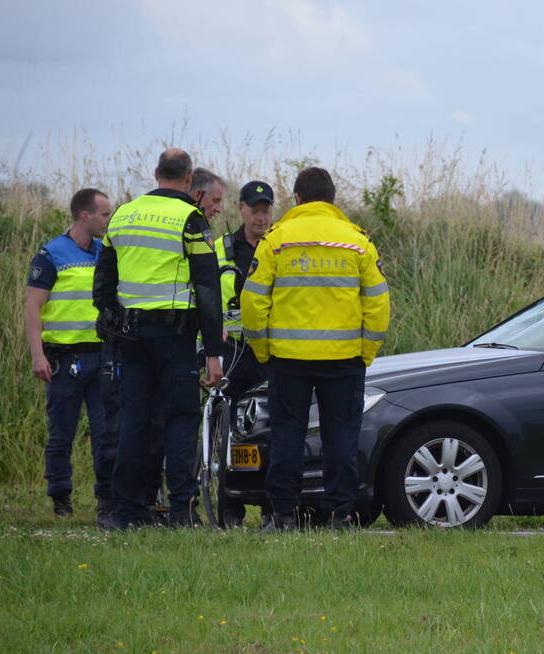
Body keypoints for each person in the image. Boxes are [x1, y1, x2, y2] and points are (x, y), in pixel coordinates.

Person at [241, 167, 390, 531]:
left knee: (286, 435)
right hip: (344, 360)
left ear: (297, 199)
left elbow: (253, 302)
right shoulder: (357, 240)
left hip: (288, 360)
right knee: (341, 436)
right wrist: (365, 352)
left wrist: (263, 350)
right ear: (333, 198)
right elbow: (378, 304)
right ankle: (340, 514)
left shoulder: (276, 239)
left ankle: (283, 515)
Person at [93, 148, 224, 529]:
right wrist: (213, 351)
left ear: (155, 173)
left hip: (130, 336)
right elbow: (208, 289)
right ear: (188, 179)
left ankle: (127, 511)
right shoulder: (191, 219)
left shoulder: (123, 214)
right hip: (174, 336)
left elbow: (102, 284)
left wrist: (113, 321)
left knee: (135, 420)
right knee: (181, 418)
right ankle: (182, 510)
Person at [25, 188, 117, 526]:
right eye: (105, 214)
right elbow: (33, 307)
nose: (109, 220)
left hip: (101, 355)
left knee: (106, 432)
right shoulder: (51, 254)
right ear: (84, 215)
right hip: (64, 360)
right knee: (62, 432)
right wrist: (38, 355)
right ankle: (60, 496)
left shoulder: (103, 252)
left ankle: (105, 498)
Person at [215, 180, 275, 526]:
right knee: (225, 431)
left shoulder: (277, 247)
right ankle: (229, 507)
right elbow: (206, 293)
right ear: (241, 210)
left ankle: (270, 506)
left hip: (267, 351)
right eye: (255, 210)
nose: (261, 217)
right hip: (231, 350)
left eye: (266, 210)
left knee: (269, 431)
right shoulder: (223, 248)